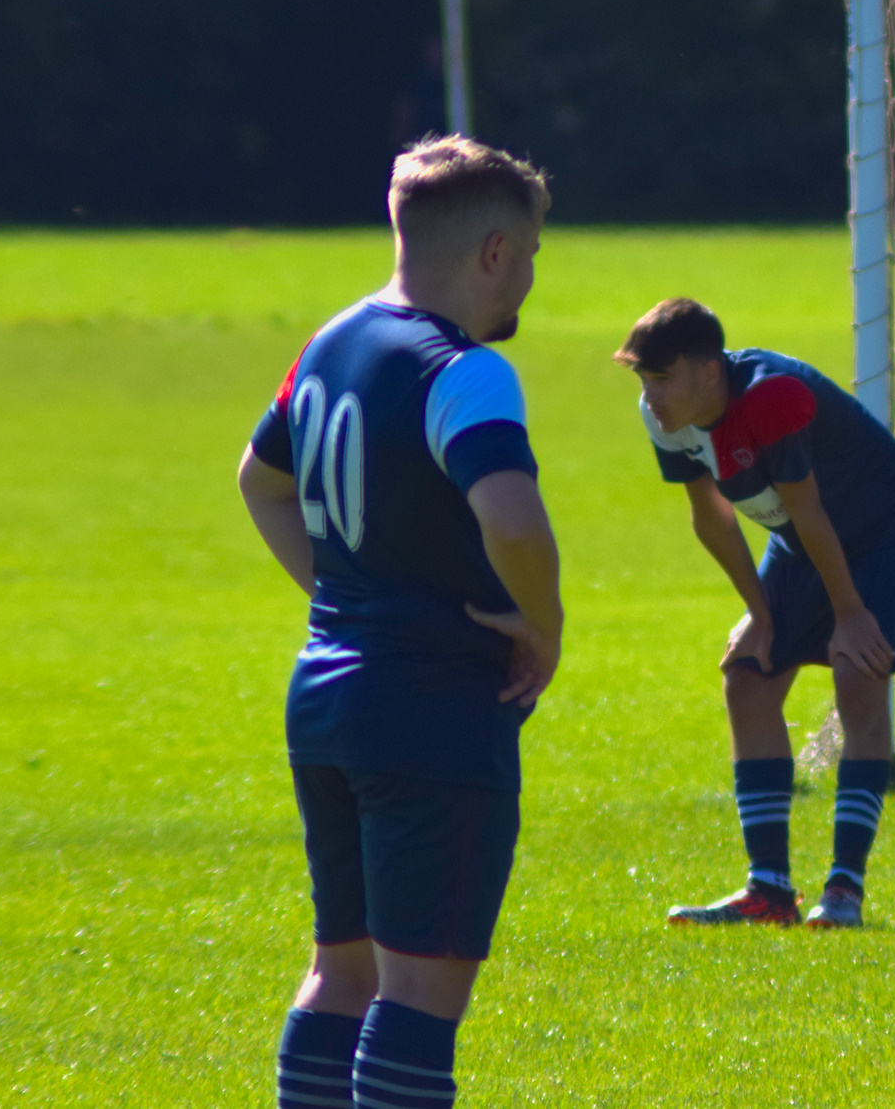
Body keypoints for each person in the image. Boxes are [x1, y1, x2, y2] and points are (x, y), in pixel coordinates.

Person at [238, 135, 562, 1107]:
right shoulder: (460, 368)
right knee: (418, 993)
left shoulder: (331, 342)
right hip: (430, 709)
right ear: (494, 251)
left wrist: (347, 593)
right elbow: (514, 522)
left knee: (341, 973)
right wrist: (540, 626)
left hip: (325, 694)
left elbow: (260, 482)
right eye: (531, 254)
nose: (530, 278)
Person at [617, 298, 895, 930]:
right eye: (644, 380)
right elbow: (711, 517)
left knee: (857, 671)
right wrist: (758, 614)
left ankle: (844, 891)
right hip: (800, 535)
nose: (650, 396)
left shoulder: (771, 397)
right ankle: (769, 892)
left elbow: (810, 509)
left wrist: (850, 614)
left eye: (663, 379)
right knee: (748, 677)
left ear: (711, 372)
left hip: (882, 524)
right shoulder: (663, 416)